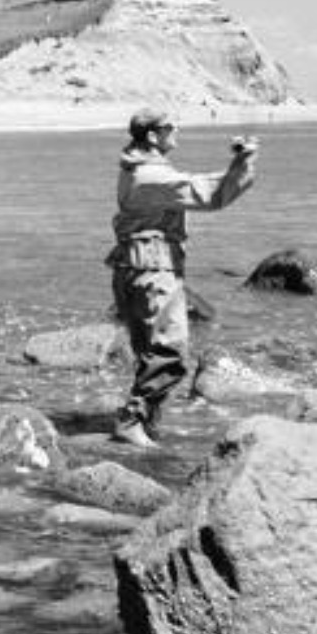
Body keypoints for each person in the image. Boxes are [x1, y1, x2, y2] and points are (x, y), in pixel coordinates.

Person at [106, 108, 258, 448]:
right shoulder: (149, 176)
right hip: (153, 269)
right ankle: (131, 420)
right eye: (172, 127)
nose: (178, 132)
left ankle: (147, 421)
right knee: (171, 351)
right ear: (152, 136)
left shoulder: (136, 169)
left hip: (135, 268)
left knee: (150, 351)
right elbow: (207, 194)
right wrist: (242, 164)